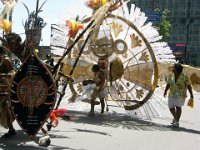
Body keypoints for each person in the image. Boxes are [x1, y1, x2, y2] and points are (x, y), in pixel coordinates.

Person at [164, 63, 193, 127]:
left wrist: (191, 94)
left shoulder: (184, 76)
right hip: (171, 93)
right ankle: (175, 117)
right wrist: (165, 91)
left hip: (181, 94)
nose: (172, 68)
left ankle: (177, 121)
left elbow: (188, 85)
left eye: (174, 68)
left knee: (178, 107)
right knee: (171, 107)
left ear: (177, 69)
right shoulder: (170, 75)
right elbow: (168, 83)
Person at [0, 46, 16, 138]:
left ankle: (11, 129)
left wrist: (3, 76)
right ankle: (11, 129)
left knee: (5, 108)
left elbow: (13, 73)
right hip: (0, 88)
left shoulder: (6, 60)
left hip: (6, 88)